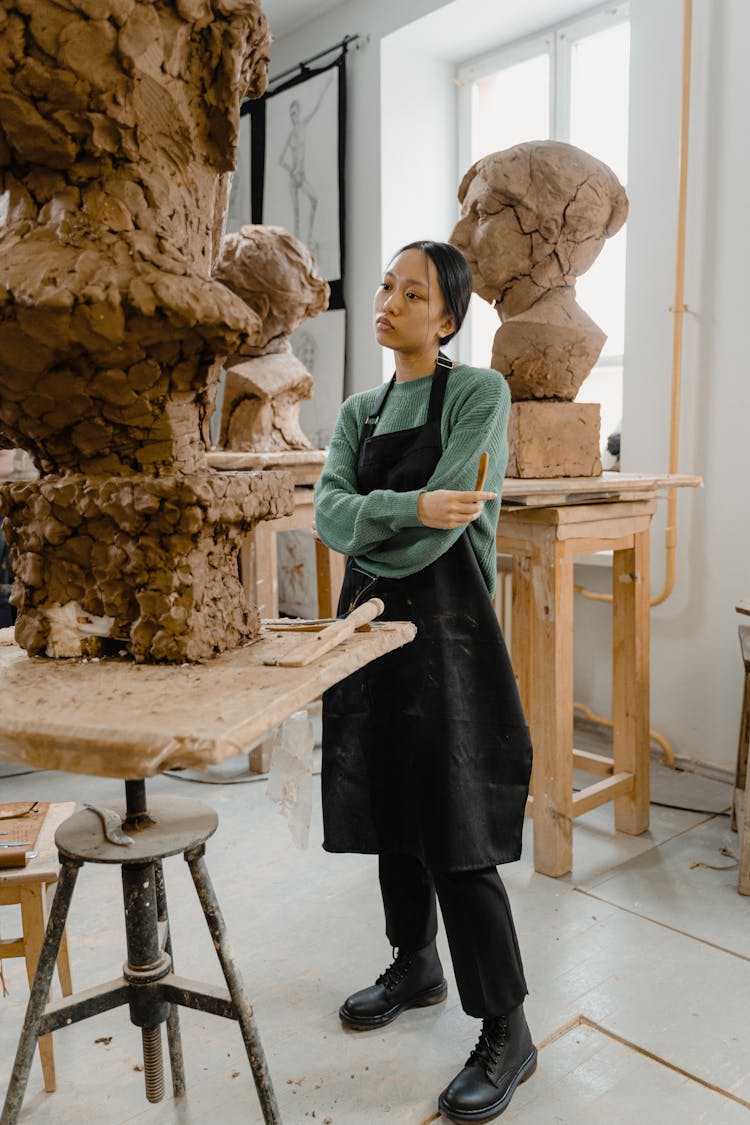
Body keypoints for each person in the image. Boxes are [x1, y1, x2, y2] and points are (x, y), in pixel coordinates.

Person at [313, 240, 535, 1123]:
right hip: (368, 637)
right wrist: (399, 510)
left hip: (449, 635)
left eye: (413, 293)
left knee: (455, 824)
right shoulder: (359, 411)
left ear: (447, 318)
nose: (389, 301)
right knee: (388, 805)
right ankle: (416, 962)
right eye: (385, 287)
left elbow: (453, 522)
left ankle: (509, 1029)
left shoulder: (480, 394)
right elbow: (329, 512)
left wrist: (376, 523)